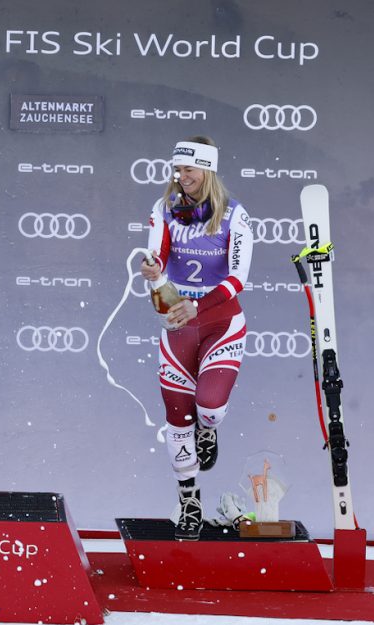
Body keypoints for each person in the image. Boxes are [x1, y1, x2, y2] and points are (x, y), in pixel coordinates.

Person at [139, 136, 254, 540]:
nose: (182, 176)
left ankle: (211, 426)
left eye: (190, 169)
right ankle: (190, 501)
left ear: (208, 170)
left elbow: (238, 277)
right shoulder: (164, 209)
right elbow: (157, 257)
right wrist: (154, 274)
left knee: (208, 406)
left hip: (221, 323)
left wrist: (197, 306)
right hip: (179, 327)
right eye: (178, 169)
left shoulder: (234, 215)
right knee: (176, 418)